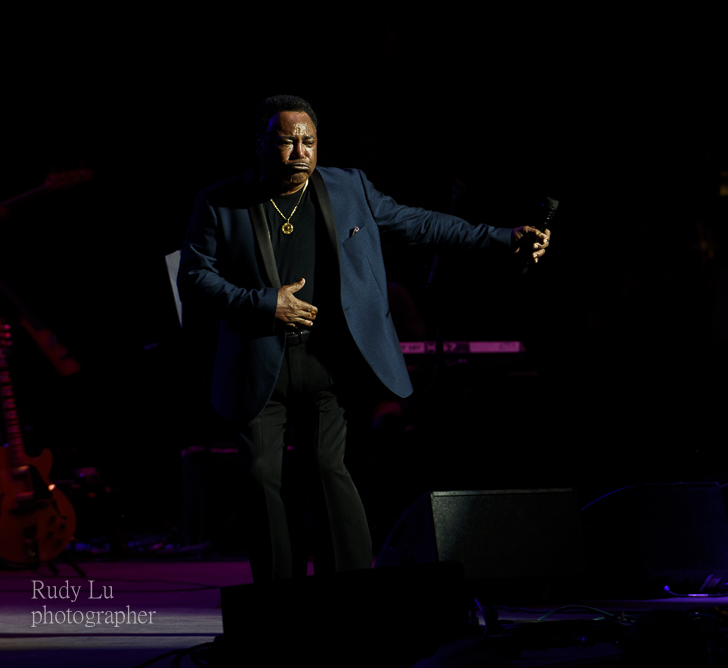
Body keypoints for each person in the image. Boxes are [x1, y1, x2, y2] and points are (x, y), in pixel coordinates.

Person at [177, 95, 549, 582]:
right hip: (258, 359)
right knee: (261, 478)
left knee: (328, 471)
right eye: (287, 141)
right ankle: (277, 602)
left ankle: (349, 594)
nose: (300, 151)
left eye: (308, 141)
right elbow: (194, 279)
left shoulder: (348, 187)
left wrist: (500, 238)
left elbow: (421, 223)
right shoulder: (220, 201)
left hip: (327, 361)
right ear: (261, 144)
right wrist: (267, 303)